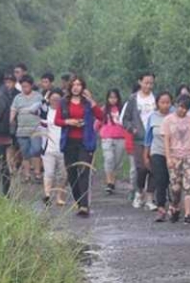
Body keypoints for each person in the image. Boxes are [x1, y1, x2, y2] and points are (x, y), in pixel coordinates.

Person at [55, 76, 104, 217]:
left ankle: (84, 206)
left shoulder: (87, 103)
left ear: (83, 87)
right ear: (70, 87)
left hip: (85, 141)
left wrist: (91, 100)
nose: (76, 87)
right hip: (69, 141)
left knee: (83, 173)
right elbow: (57, 120)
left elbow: (101, 116)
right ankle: (79, 201)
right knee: (72, 174)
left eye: (79, 84)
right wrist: (68, 121)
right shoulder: (64, 102)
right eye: (74, 84)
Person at [163, 94, 190, 225]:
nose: (182, 110)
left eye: (186, 108)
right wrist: (168, 157)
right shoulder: (168, 120)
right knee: (176, 187)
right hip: (174, 156)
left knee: (189, 185)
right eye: (180, 107)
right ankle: (175, 207)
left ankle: (188, 214)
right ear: (176, 105)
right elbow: (166, 140)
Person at [122, 72, 158, 211]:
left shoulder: (156, 98)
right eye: (146, 82)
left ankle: (150, 197)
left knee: (154, 168)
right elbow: (125, 119)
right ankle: (139, 192)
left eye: (151, 83)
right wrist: (133, 129)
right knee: (141, 167)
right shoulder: (133, 99)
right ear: (140, 82)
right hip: (139, 139)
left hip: (155, 139)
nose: (148, 85)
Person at [144, 91, 173, 222]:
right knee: (160, 179)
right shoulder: (153, 117)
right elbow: (148, 137)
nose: (165, 105)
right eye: (162, 102)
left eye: (168, 102)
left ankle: (174, 206)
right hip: (157, 151)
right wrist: (146, 154)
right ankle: (161, 208)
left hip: (174, 152)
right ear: (157, 104)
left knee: (172, 180)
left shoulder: (175, 116)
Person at [10, 75, 43, 184]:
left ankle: (37, 173)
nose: (25, 88)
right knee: (25, 153)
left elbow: (41, 109)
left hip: (36, 129)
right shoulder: (18, 98)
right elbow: (13, 110)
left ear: (31, 86)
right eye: (23, 86)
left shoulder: (38, 96)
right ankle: (27, 175)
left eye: (27, 86)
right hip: (22, 130)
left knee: (36, 150)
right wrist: (11, 120)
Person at [99, 88, 128, 194]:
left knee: (117, 161)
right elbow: (97, 122)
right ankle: (109, 182)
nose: (113, 100)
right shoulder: (104, 109)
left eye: (115, 97)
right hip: (107, 137)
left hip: (120, 137)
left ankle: (113, 179)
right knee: (109, 158)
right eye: (110, 97)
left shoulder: (122, 109)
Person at [41, 88, 67, 207]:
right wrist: (44, 100)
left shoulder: (65, 112)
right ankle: (47, 195)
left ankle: (59, 196)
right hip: (48, 148)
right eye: (53, 99)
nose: (55, 102)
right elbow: (37, 109)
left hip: (63, 148)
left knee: (62, 175)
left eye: (58, 99)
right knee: (49, 173)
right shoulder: (46, 112)